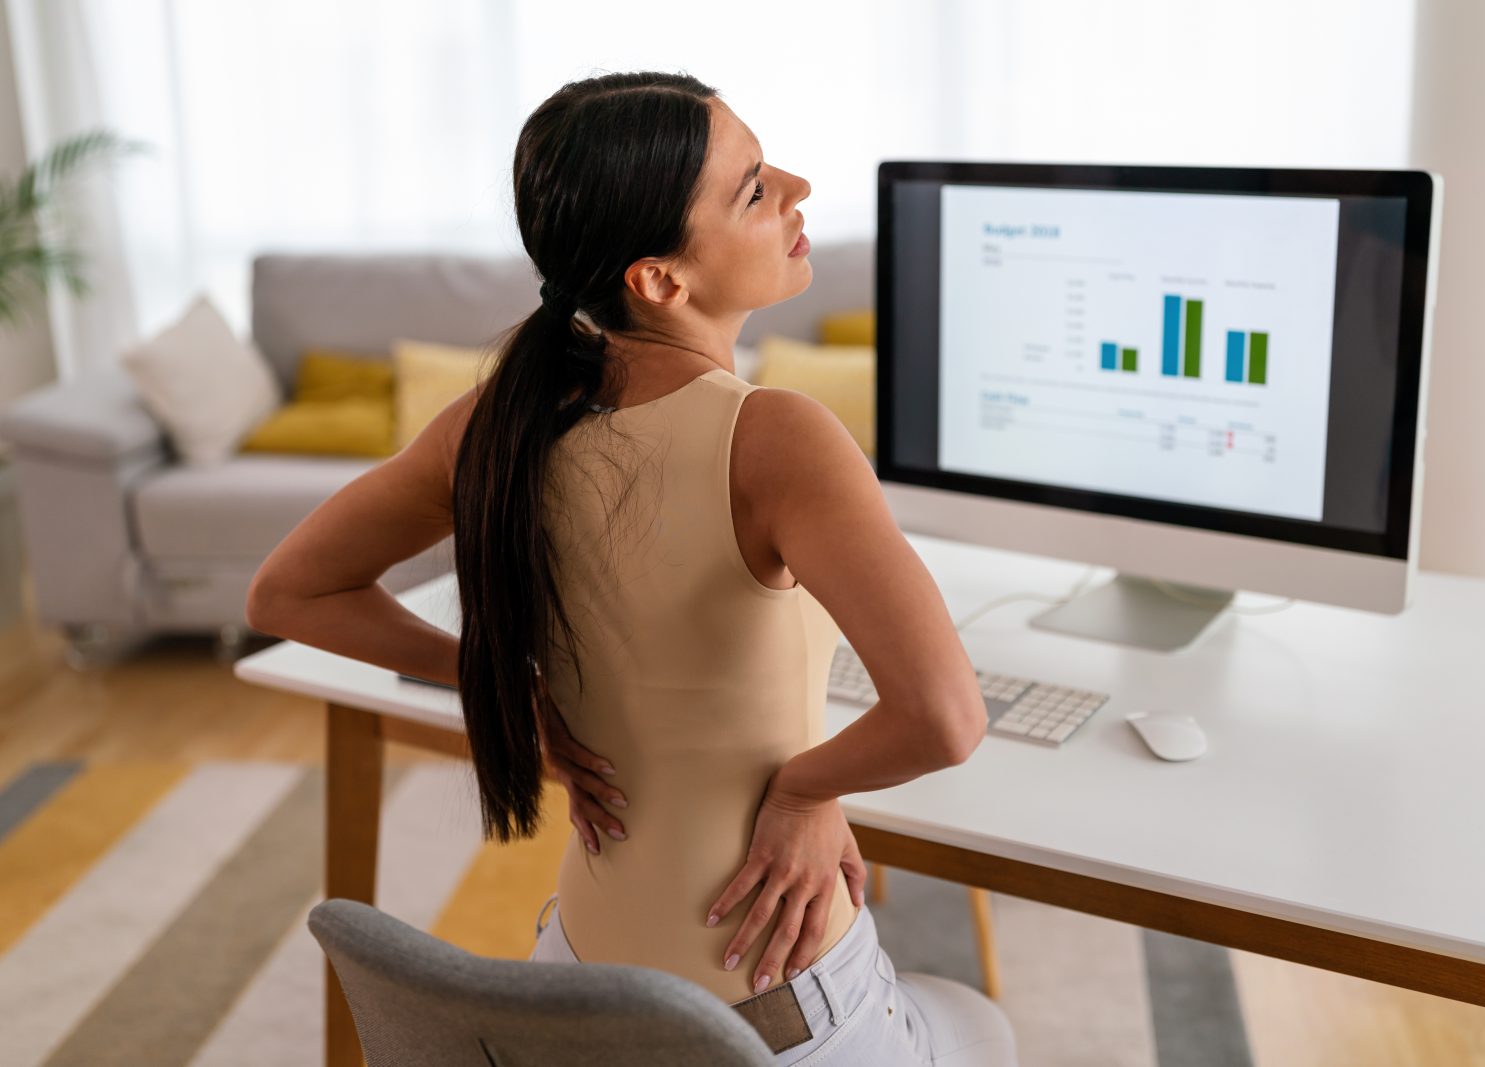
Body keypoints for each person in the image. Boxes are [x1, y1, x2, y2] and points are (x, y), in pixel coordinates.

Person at [245, 70, 1018, 1066]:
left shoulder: (497, 419)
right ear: (659, 278)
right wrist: (803, 788)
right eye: (751, 188)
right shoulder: (775, 436)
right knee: (981, 1020)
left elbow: (287, 591)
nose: (797, 187)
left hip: (581, 989)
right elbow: (945, 718)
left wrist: (513, 692)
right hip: (768, 1015)